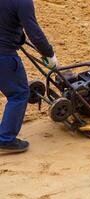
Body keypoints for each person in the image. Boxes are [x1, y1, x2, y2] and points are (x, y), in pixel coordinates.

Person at [0, 0, 58, 153]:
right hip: (4, 56)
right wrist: (49, 53)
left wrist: (17, 37)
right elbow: (34, 32)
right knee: (19, 94)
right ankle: (5, 140)